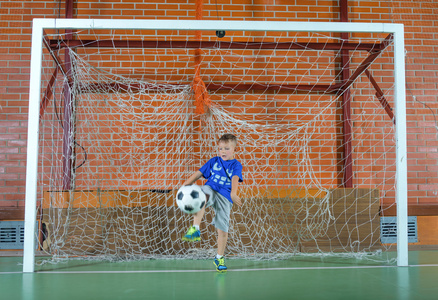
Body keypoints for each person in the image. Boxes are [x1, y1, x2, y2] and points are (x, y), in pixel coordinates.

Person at [181, 133, 243, 272]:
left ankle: (219, 257)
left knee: (222, 230)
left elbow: (235, 178)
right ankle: (195, 229)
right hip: (211, 188)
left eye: (226, 148)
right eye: (220, 148)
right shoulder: (213, 161)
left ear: (234, 149)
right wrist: (185, 185)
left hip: (225, 197)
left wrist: (233, 193)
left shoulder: (236, 165)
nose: (223, 151)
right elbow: (198, 174)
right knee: (201, 197)